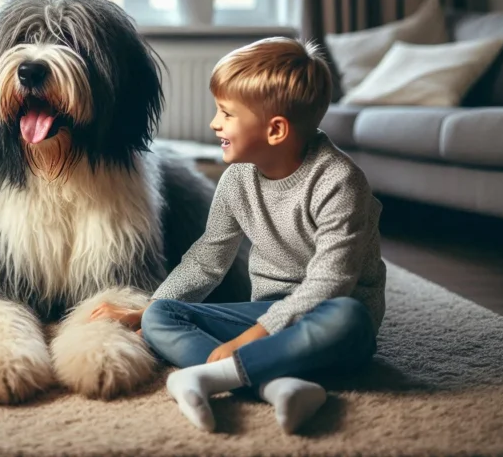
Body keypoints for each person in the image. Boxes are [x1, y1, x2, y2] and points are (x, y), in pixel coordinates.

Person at [90, 37, 385, 434]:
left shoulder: (339, 182)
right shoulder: (236, 180)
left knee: (351, 319)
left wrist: (249, 340)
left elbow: (330, 284)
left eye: (226, 114)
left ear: (275, 130)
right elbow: (206, 259)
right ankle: (274, 383)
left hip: (329, 312)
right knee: (161, 316)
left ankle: (208, 375)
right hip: (265, 311)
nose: (214, 123)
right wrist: (148, 310)